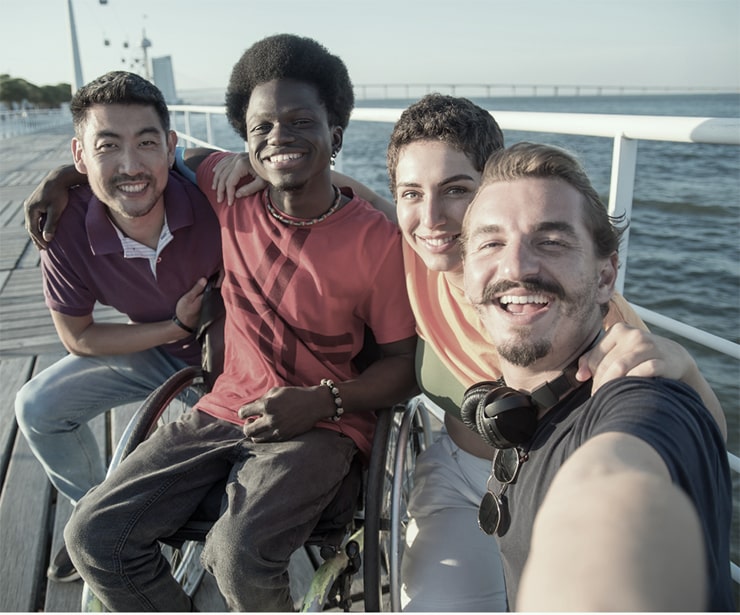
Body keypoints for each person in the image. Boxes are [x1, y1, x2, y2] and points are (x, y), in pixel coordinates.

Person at [211, 93, 727, 611]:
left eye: (458, 190)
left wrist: (688, 377)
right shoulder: (416, 250)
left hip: (552, 485)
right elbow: (369, 201)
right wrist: (254, 164)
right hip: (456, 475)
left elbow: (669, 428)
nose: (432, 218)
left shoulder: (577, 307)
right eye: (412, 193)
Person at [61, 34, 417, 612]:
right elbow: (140, 162)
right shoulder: (226, 193)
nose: (280, 139)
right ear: (245, 142)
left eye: (301, 122)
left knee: (235, 554)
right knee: (93, 536)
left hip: (324, 423)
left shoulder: (376, 242)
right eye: (262, 129)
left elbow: (404, 368)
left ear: (337, 135)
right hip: (223, 407)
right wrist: (60, 179)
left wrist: (322, 401)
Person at [459, 141, 734, 611]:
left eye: (551, 241)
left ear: (606, 276)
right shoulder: (532, 408)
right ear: (465, 275)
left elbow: (617, 479)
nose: (517, 266)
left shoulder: (640, 395)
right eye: (491, 243)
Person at [14, 71, 222, 583]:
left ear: (171, 147)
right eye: (107, 145)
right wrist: (175, 325)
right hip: (160, 351)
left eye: (146, 142)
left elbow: (313, 191)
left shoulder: (214, 194)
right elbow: (78, 336)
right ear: (80, 157)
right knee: (36, 406)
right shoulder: (60, 226)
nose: (130, 165)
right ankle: (92, 511)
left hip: (236, 368)